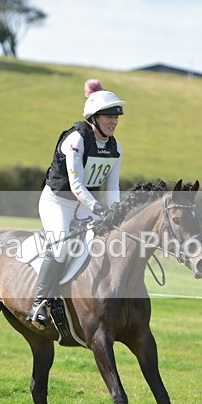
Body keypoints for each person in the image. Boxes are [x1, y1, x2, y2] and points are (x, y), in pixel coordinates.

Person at [26, 79, 125, 328]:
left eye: (116, 116)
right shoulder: (76, 140)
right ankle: (40, 302)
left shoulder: (116, 148)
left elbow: (112, 188)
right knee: (61, 246)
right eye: (108, 116)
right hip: (58, 202)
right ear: (94, 117)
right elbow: (76, 185)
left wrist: (117, 213)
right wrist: (97, 208)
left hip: (85, 205)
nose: (113, 121)